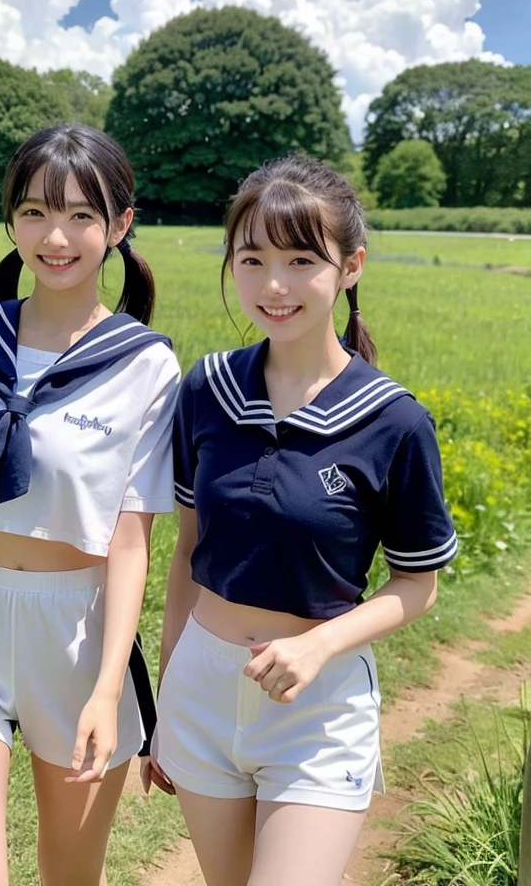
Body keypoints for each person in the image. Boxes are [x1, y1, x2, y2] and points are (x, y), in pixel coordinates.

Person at [147, 155, 457, 886]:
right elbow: (186, 554)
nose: (274, 285)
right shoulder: (207, 389)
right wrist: (167, 700)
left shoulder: (393, 420)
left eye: (300, 259)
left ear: (350, 265)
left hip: (317, 706)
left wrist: (319, 648)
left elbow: (419, 583)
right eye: (251, 259)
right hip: (200, 690)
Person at [0, 124, 180, 886]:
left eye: (82, 215)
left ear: (120, 224)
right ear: (11, 222)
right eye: (35, 213)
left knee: (70, 875)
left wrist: (111, 687)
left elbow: (129, 541)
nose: (57, 236)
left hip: (77, 638)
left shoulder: (144, 365)